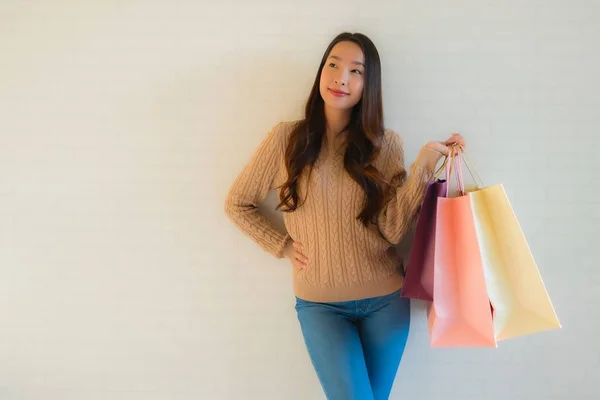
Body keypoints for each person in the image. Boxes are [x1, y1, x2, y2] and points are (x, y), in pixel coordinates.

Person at [224, 32, 465, 400]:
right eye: (333, 65)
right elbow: (238, 203)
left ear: (369, 85)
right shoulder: (286, 140)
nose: (340, 78)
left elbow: (392, 230)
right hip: (320, 307)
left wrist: (423, 168)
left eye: (356, 71)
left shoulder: (385, 145)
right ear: (321, 70)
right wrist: (283, 246)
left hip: (386, 301)